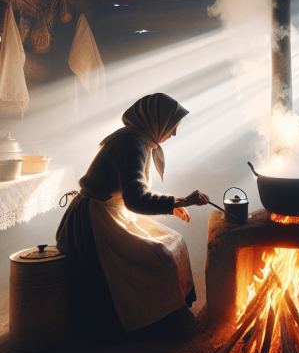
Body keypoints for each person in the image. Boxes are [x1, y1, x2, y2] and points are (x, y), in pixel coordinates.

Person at [56, 93, 211, 340]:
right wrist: (180, 201)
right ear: (156, 120)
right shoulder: (131, 144)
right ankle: (158, 321)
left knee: (174, 241)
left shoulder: (140, 140)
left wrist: (173, 205)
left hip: (114, 212)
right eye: (172, 127)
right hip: (95, 223)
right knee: (157, 255)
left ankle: (172, 312)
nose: (173, 134)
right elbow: (136, 199)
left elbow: (135, 194)